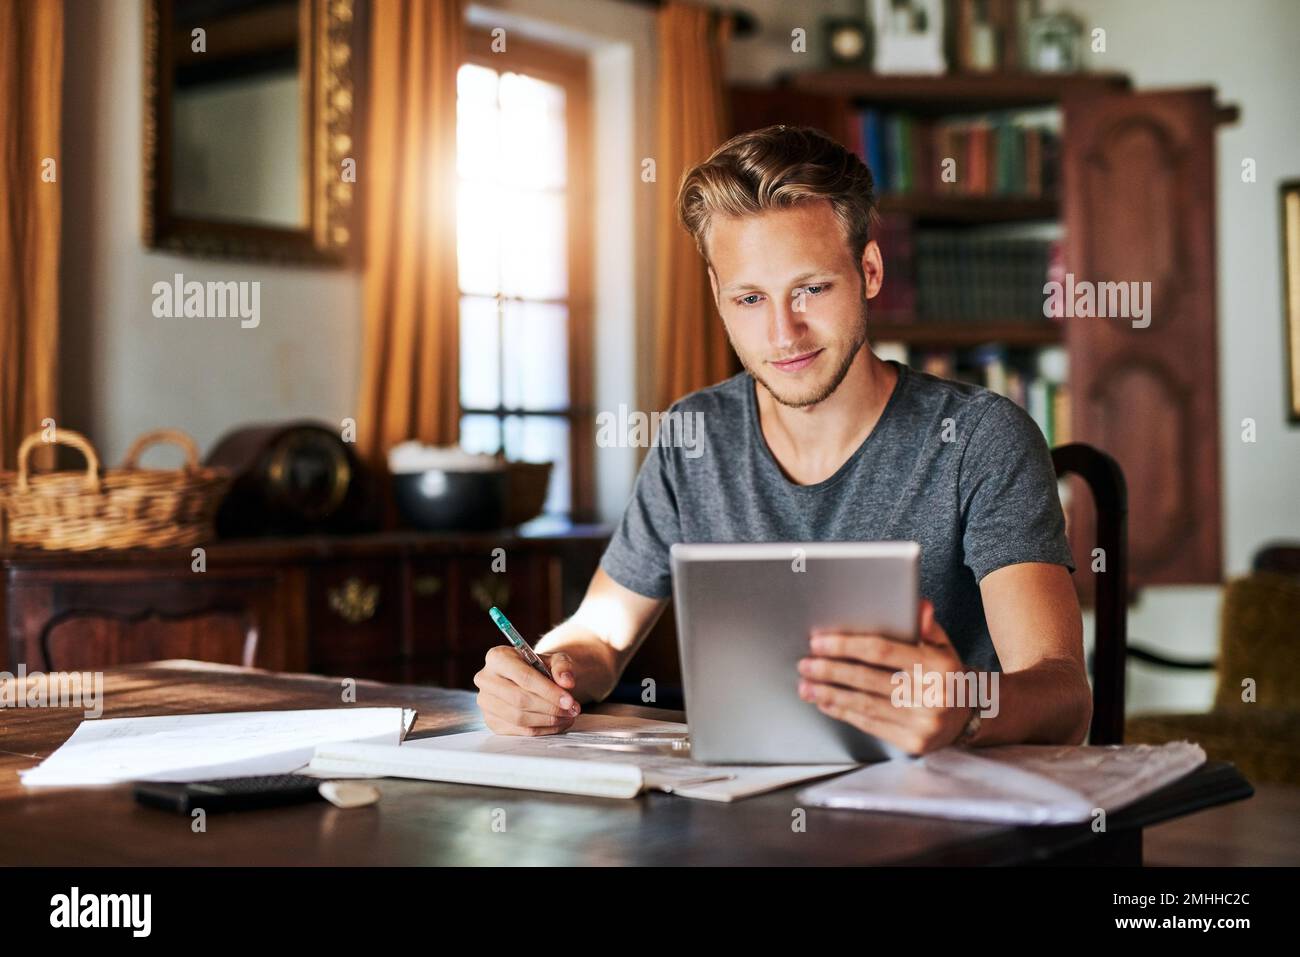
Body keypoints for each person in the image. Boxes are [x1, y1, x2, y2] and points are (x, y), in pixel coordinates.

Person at [473, 125, 1090, 754]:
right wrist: (546, 674)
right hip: (739, 817)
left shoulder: (982, 439)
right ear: (718, 295)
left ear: (869, 271)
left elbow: (1064, 694)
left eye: (811, 289)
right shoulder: (693, 436)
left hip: (945, 818)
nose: (782, 333)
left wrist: (961, 711)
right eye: (749, 298)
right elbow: (601, 636)